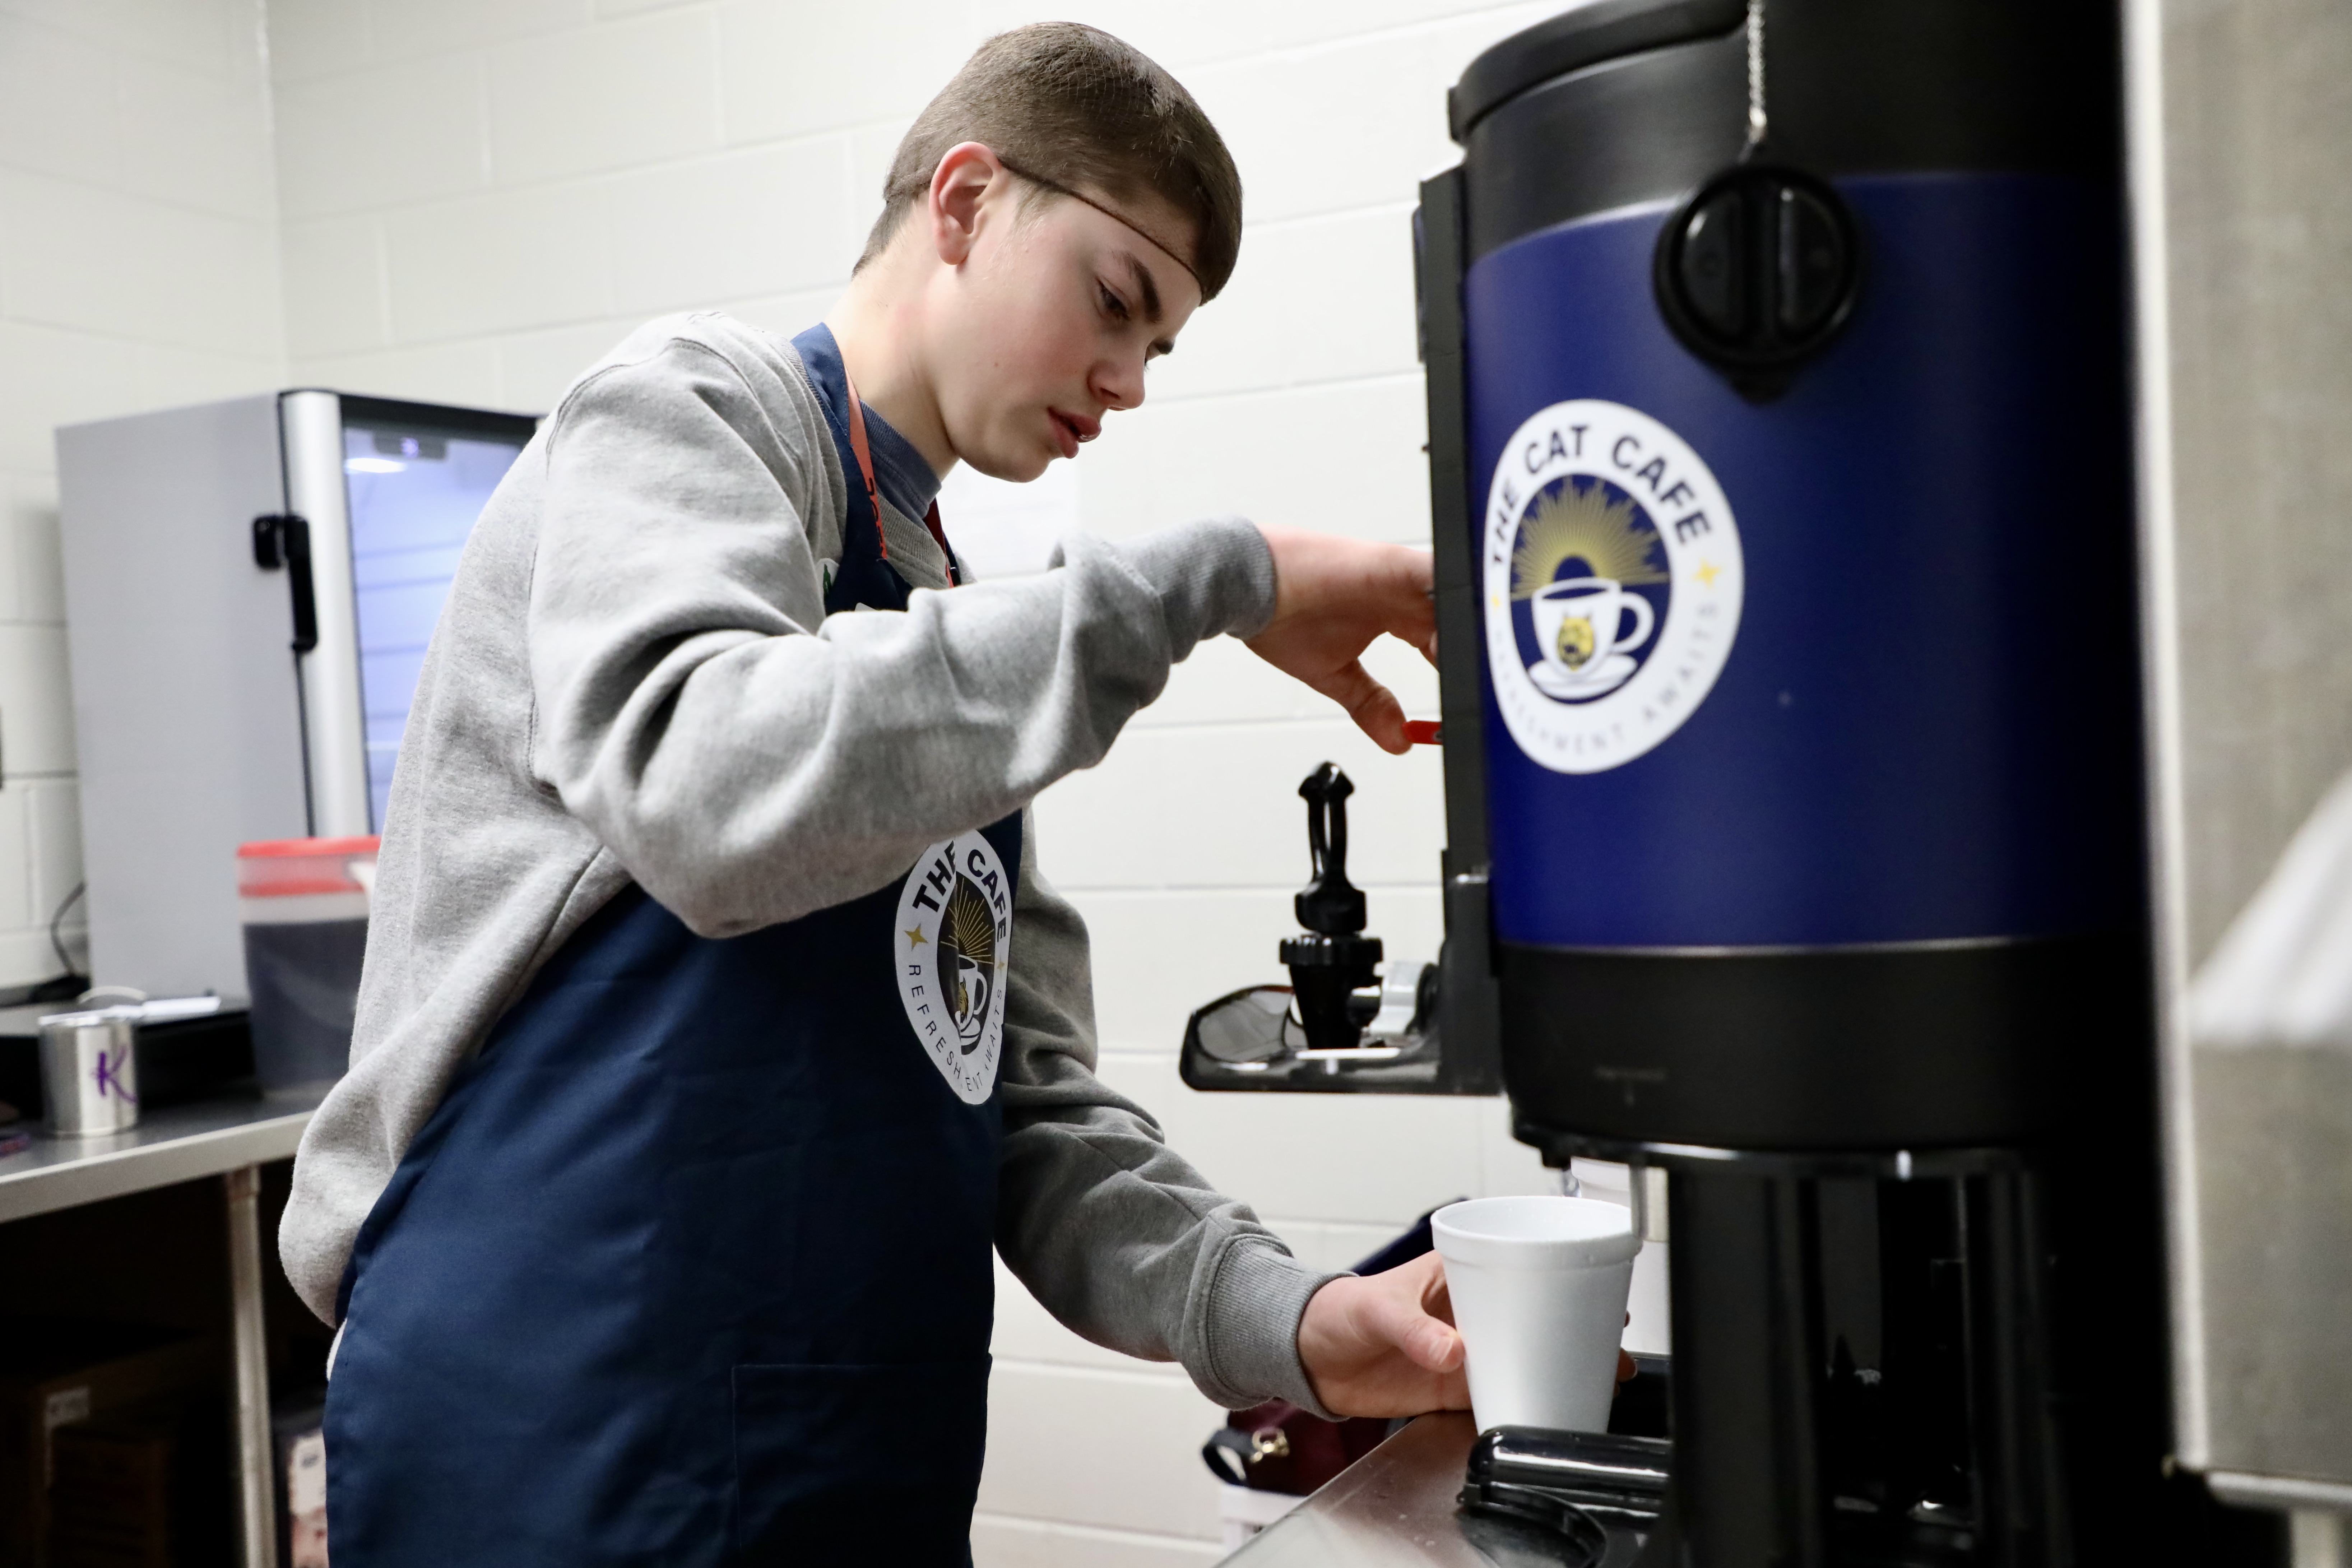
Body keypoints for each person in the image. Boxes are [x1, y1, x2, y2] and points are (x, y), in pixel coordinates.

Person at [280, 22, 1465, 1565]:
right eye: (1116, 301)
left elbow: (1014, 1091)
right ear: (965, 203)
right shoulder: (688, 415)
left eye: (1161, 346)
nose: (1126, 380)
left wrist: (1288, 1320)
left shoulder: (948, 625)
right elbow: (710, 784)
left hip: (840, 1465)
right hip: (554, 1437)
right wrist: (1215, 582)